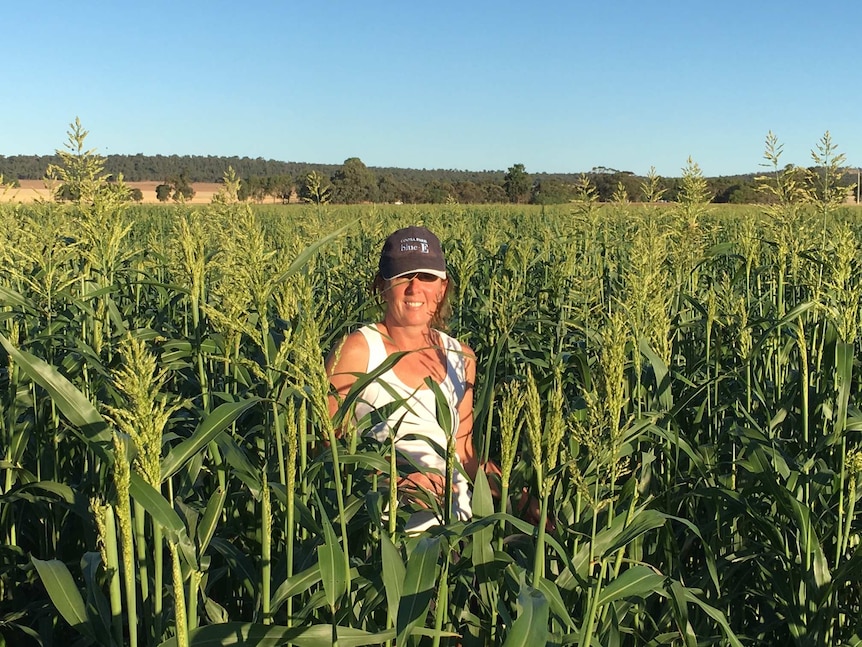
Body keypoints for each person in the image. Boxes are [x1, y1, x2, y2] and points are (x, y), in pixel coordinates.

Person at [325, 225, 490, 532]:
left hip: (457, 528)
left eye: (427, 277)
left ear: (442, 288)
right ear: (382, 286)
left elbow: (465, 455)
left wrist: (510, 492)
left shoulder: (461, 357)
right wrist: (394, 478)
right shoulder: (359, 349)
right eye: (403, 277)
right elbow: (323, 447)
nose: (415, 289)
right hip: (388, 533)